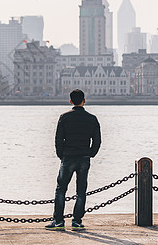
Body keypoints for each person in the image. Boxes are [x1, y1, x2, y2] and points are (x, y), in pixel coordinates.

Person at [45, 89, 101, 231]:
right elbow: (97, 140)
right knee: (81, 190)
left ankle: (58, 221)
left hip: (68, 157)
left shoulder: (64, 117)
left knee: (61, 189)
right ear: (84, 100)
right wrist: (91, 154)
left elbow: (58, 139)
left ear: (71, 101)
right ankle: (76, 221)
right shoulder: (92, 118)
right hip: (84, 157)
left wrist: (61, 155)